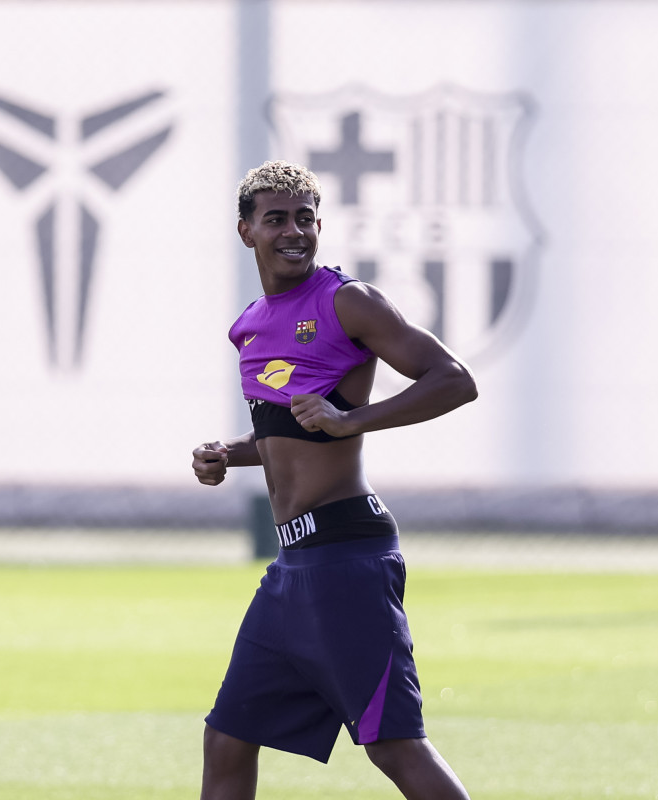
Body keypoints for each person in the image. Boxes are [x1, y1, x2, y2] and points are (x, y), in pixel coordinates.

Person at [191, 160, 478, 800]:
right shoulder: (250, 325)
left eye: (305, 219)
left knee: (393, 745)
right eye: (276, 220)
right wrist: (228, 455)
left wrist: (354, 421)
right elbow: (289, 437)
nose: (294, 232)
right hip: (292, 568)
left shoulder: (348, 301)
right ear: (247, 232)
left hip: (348, 561)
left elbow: (455, 379)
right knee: (227, 738)